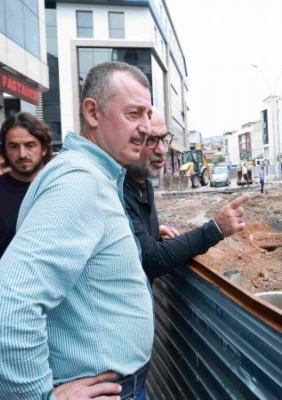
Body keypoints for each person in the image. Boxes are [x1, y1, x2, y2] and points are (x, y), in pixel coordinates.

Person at [0, 61, 154, 399]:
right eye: (133, 113)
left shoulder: (94, 176)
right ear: (93, 112)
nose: (145, 128)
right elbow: (9, 305)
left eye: (147, 114)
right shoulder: (79, 183)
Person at [124, 109, 250, 282]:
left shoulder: (145, 184)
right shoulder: (118, 190)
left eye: (164, 139)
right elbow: (151, 260)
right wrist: (216, 228)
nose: (162, 150)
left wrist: (151, 232)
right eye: (152, 140)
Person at [0, 112, 53, 257]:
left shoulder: (59, 188)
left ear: (44, 148)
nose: (22, 154)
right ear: (5, 150)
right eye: (13, 146)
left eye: (30, 145)